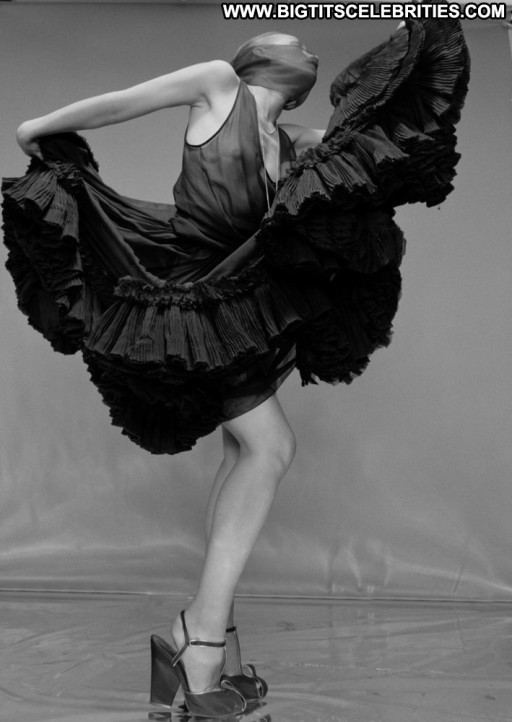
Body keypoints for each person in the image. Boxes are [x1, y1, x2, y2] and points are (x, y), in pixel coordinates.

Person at [5, 19, 469, 719]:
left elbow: (377, 138)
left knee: (245, 452)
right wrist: (36, 130)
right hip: (190, 296)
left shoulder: (293, 142)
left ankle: (205, 641)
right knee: (269, 448)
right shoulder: (218, 84)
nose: (308, 47)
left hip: (237, 296)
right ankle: (199, 641)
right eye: (291, 40)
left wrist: (415, 42)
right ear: (255, 59)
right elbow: (116, 104)